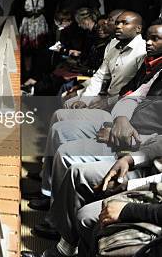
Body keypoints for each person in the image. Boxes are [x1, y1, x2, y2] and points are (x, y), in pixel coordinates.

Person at [29, 22, 160, 215]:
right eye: (117, 22)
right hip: (121, 120)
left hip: (140, 145)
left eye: (124, 23)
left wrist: (124, 134)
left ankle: (55, 214)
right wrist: (120, 120)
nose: (117, 26)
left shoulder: (142, 54)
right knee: (61, 122)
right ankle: (47, 189)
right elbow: (131, 95)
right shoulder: (151, 65)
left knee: (67, 153)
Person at [10, 0, 55, 80]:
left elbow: (51, 7)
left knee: (41, 49)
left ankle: (40, 73)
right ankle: (27, 73)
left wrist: (43, 11)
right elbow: (16, 8)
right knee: (27, 50)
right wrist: (26, 13)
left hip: (41, 25)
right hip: (27, 25)